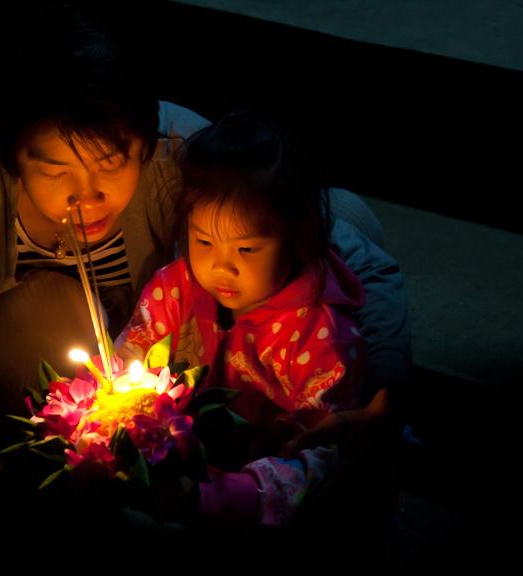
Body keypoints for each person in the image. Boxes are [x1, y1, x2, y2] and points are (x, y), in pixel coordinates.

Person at [0, 1, 410, 489]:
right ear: (11, 155)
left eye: (112, 163)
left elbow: (344, 255)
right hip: (45, 363)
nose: (89, 197)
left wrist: (385, 392)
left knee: (346, 210)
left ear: (145, 147)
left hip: (163, 358)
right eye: (56, 170)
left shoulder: (178, 154)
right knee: (40, 310)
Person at [115, 111, 369, 526]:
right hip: (176, 465)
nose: (222, 268)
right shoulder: (175, 289)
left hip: (260, 501)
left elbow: (319, 455)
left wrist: (220, 497)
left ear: (295, 237)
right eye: (204, 241)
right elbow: (129, 362)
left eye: (247, 249)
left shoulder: (320, 333)